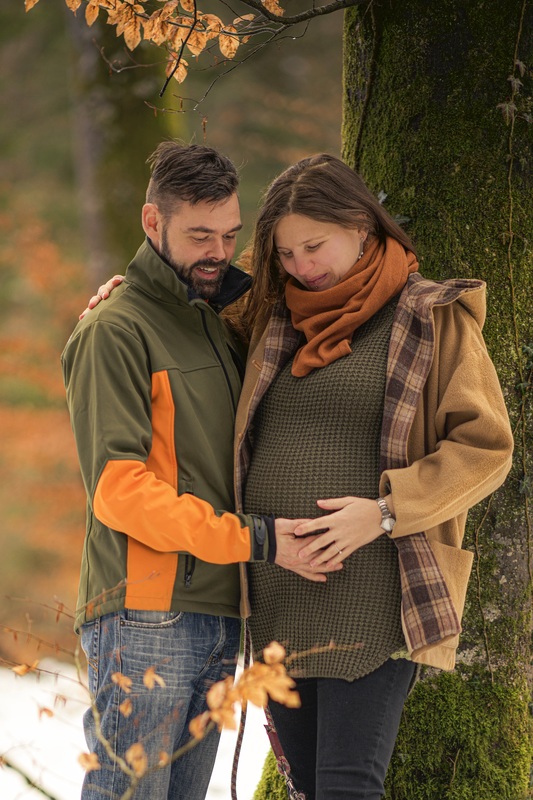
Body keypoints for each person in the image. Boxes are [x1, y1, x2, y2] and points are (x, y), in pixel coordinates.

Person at [88, 153, 513, 800]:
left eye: (313, 247)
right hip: (277, 598)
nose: (300, 267)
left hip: (372, 592)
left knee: (346, 786)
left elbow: (484, 447)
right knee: (306, 789)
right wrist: (126, 293)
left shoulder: (431, 316)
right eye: (283, 255)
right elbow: (179, 305)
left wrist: (385, 510)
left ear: (362, 227)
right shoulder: (270, 316)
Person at [62, 142, 331, 800]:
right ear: (153, 224)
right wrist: (259, 540)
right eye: (199, 236)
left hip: (218, 610)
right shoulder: (117, 331)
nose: (217, 251)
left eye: (229, 236)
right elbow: (119, 493)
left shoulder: (214, 321)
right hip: (143, 614)